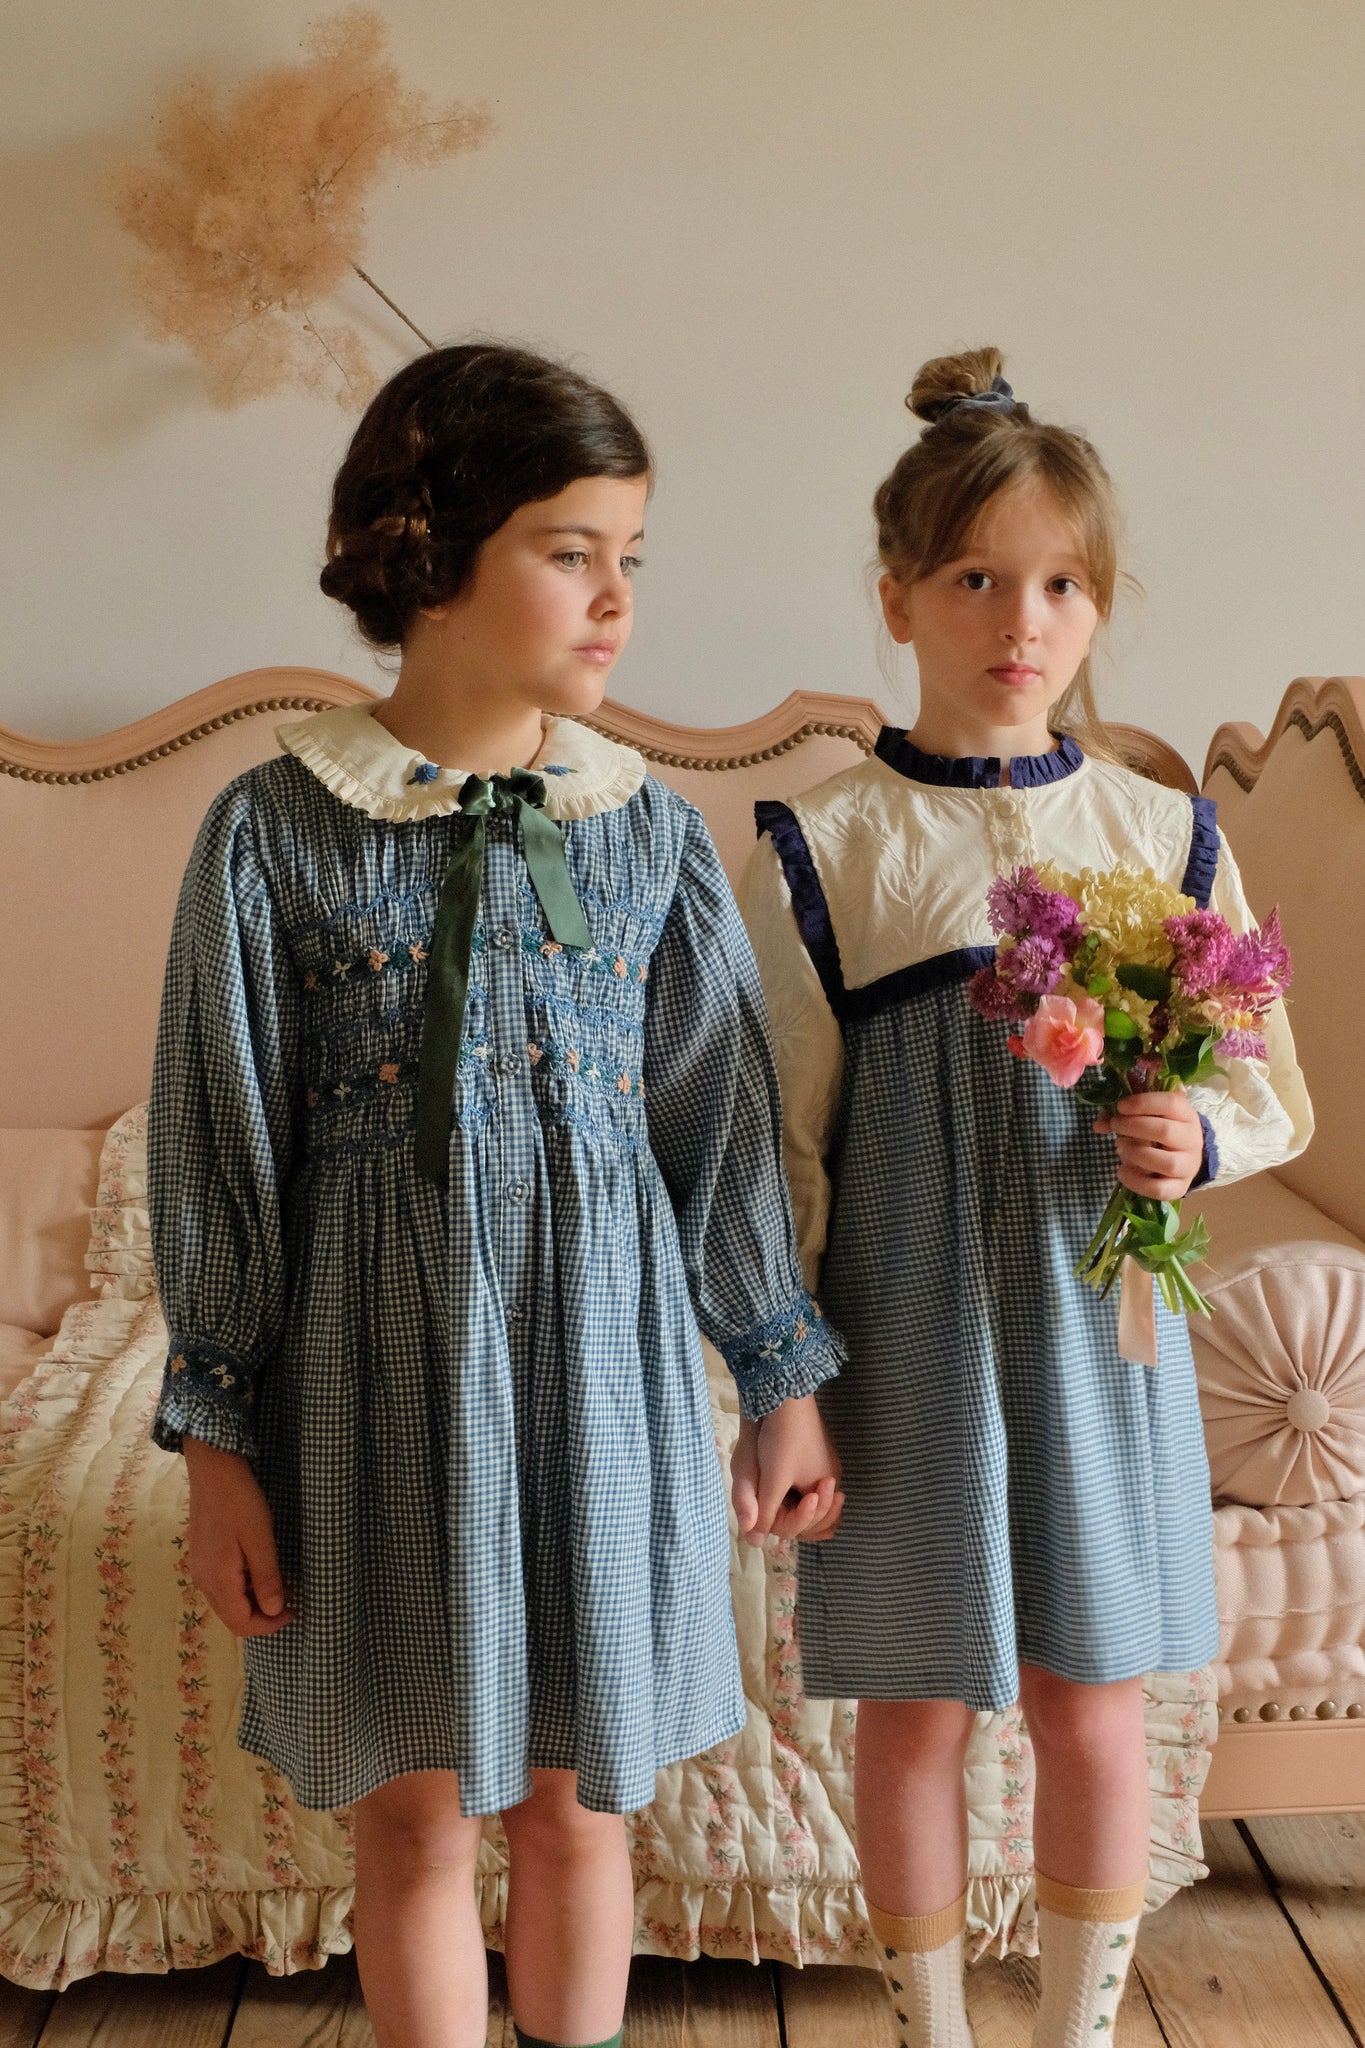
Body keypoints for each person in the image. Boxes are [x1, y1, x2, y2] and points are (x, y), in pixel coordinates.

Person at [147, 341, 844, 2048]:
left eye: (629, 558)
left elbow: (717, 1127)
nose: (615, 600)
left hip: (601, 1380)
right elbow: (219, 1144)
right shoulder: (273, 831)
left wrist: (777, 1375)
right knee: (411, 1816)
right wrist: (218, 1440)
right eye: (568, 551)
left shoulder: (646, 834)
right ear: (428, 553)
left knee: (576, 1807)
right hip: (371, 1390)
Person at [740, 347, 1312, 2048]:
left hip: (1099, 1341)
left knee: (1092, 1705)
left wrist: (1192, 1141)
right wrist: (784, 1381)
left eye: (1060, 584)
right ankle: (929, 2030)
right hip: (902, 1347)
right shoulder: (824, 848)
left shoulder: (1160, 835)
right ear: (896, 599)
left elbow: (1265, 1089)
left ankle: (1072, 2036)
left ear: (1097, 604)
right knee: (912, 1712)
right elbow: (775, 1146)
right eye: (975, 579)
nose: (1021, 620)